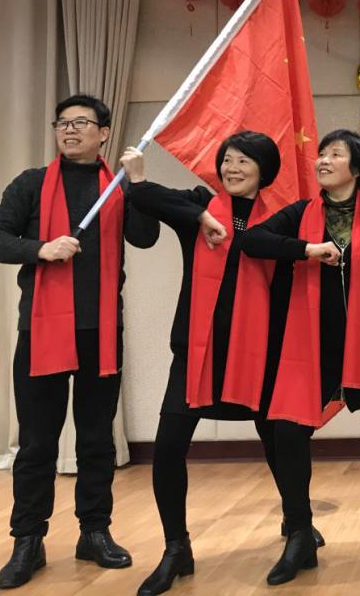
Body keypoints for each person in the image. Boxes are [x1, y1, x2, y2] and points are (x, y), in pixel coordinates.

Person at [122, 132, 315, 595]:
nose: (232, 168)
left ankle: (300, 531)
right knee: (168, 447)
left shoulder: (284, 218)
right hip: (197, 352)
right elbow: (149, 198)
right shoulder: (199, 205)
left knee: (281, 444)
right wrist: (198, 213)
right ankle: (176, 548)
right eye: (227, 160)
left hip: (264, 354)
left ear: (264, 171)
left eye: (244, 161)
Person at [0, 94, 160, 589]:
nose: (70, 130)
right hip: (40, 331)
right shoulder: (31, 184)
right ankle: (28, 540)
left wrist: (139, 183)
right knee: (37, 442)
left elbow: (145, 238)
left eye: (82, 122)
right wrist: (42, 248)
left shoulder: (118, 187)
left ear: (104, 133)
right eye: (63, 123)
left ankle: (94, 532)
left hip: (100, 332)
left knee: (96, 439)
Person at [241, 129, 360, 586]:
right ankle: (299, 531)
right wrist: (304, 250)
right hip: (309, 345)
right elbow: (252, 241)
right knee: (287, 431)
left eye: (334, 154)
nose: (322, 160)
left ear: (357, 169)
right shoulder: (300, 214)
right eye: (321, 154)